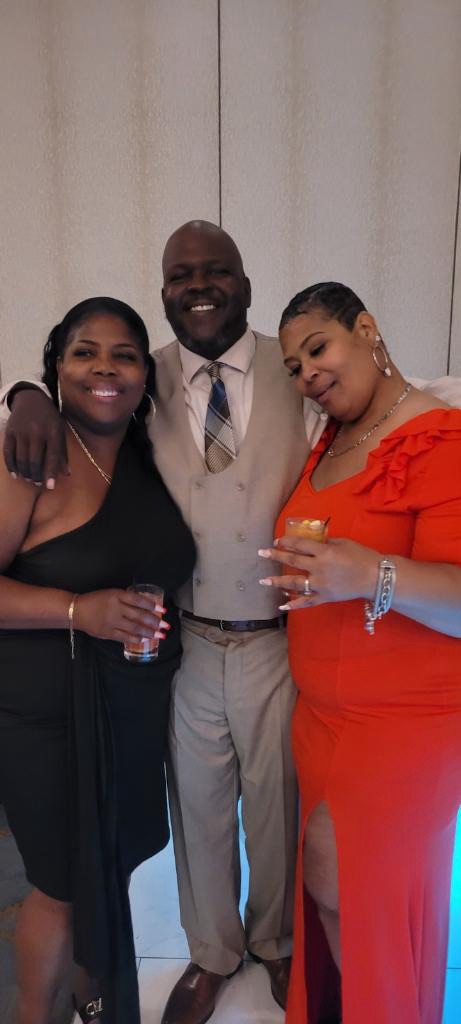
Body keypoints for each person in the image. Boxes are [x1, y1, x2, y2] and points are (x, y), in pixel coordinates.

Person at [2, 227, 460, 1024]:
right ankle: (212, 953)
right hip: (186, 640)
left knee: (277, 808)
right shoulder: (144, 377)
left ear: (244, 284)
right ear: (164, 293)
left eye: (216, 271)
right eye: (180, 275)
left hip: (278, 641)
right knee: (199, 811)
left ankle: (277, 945)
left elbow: (407, 396)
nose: (198, 286)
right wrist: (23, 393)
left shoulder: (298, 370)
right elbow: (78, 389)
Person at [258, 282, 461, 1024]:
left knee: (355, 896)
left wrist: (369, 573)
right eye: (293, 367)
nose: (307, 374)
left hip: (402, 726)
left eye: (318, 349)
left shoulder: (441, 437)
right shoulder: (330, 439)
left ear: (367, 329)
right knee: (339, 898)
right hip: (321, 718)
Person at [0, 296, 196, 1024]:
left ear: (147, 373)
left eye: (124, 355)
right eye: (84, 353)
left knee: (110, 866)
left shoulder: (154, 452)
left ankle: (95, 1002)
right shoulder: (31, 457)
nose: (104, 369)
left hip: (132, 705)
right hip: (46, 712)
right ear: (57, 364)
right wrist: (78, 611)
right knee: (59, 883)